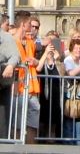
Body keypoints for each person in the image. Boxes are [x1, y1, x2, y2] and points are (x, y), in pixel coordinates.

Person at [12, 10, 41, 144]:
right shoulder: (12, 42)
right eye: (30, 24)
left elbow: (35, 62)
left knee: (32, 125)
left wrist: (35, 61)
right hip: (18, 90)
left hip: (32, 90)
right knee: (17, 125)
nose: (32, 28)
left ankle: (30, 150)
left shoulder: (30, 42)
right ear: (23, 25)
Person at [0, 16, 19, 136]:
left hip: (1, 84)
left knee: (2, 120)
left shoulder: (6, 37)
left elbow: (15, 55)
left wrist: (10, 66)